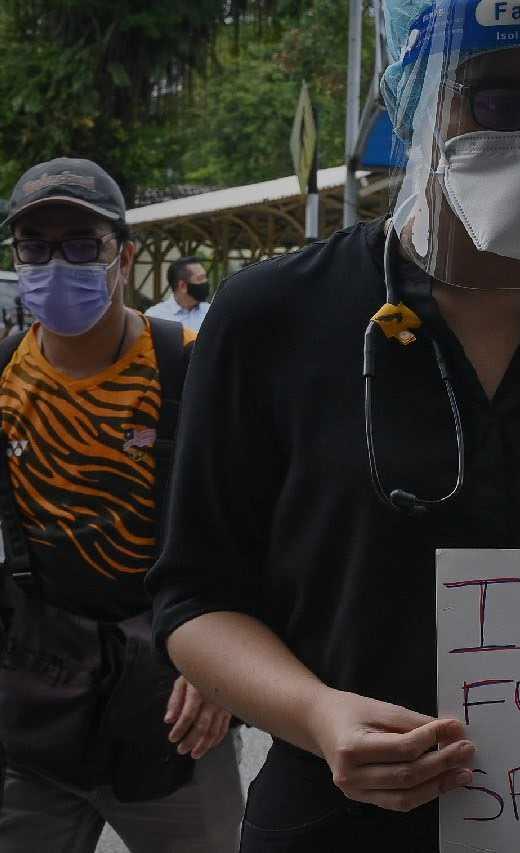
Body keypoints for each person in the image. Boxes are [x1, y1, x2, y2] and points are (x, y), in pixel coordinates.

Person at [145, 2, 520, 850]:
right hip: (337, 824)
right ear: (417, 102)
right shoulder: (276, 316)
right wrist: (318, 714)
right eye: (499, 101)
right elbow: (194, 599)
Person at [0, 158, 242, 852]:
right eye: (35, 246)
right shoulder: (4, 378)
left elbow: (256, 524)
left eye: (82, 244)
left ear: (124, 257)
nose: (56, 261)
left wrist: (224, 666)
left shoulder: (192, 365)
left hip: (177, 708)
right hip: (38, 707)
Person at [145, 256, 211, 332]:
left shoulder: (212, 312)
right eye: (200, 278)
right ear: (182, 286)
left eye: (205, 277)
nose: (206, 282)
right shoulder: (155, 317)